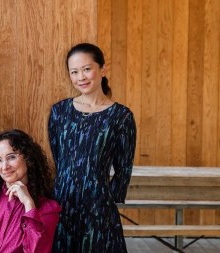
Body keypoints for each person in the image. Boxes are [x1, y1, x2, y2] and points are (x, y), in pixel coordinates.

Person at [48, 43, 137, 253]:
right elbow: (59, 159)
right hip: (63, 202)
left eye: (87, 69)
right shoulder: (59, 112)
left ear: (102, 70)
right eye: (74, 72)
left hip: (99, 206)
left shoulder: (121, 116)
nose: (81, 77)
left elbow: (124, 168)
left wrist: (105, 199)